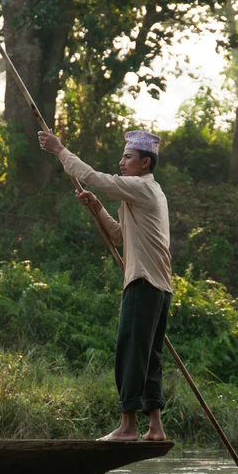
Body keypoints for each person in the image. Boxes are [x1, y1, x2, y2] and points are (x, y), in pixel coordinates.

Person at [37, 128, 172, 441]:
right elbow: (120, 238)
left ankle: (127, 428)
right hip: (159, 287)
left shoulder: (142, 188)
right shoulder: (147, 194)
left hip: (143, 282)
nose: (122, 162)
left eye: (128, 157)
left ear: (145, 163)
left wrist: (60, 150)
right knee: (149, 356)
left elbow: (94, 177)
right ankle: (155, 428)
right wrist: (97, 207)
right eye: (123, 157)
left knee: (130, 352)